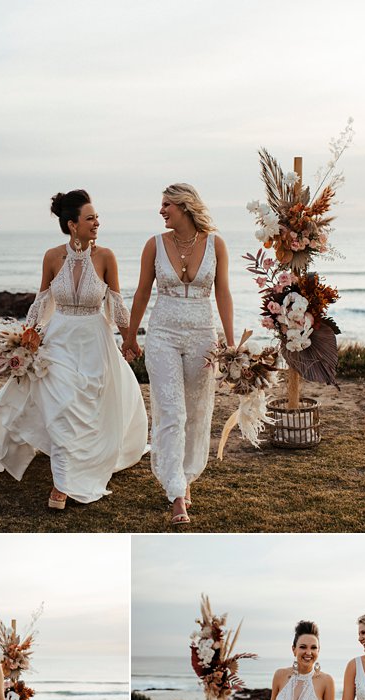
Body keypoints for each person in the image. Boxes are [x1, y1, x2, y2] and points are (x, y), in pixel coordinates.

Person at [0, 189, 148, 510]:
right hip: (60, 340)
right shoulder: (52, 257)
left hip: (95, 341)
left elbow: (116, 305)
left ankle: (81, 462)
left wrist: (130, 337)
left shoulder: (106, 258)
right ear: (72, 225)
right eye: (90, 218)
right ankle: (62, 484)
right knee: (63, 406)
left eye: (97, 217)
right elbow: (41, 303)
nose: (97, 223)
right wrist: (27, 336)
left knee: (86, 407)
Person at [122, 183, 234, 524]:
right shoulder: (153, 245)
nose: (161, 211)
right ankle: (175, 493)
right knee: (171, 411)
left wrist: (230, 344)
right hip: (163, 335)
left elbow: (223, 294)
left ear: (185, 207)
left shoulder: (216, 244)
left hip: (203, 334)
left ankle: (186, 478)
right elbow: (142, 292)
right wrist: (129, 336)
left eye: (167, 204)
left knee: (197, 412)